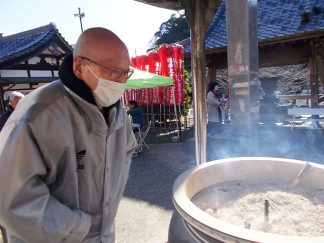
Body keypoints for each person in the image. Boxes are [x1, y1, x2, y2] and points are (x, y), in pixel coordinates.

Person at [0, 28, 138, 243]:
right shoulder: (39, 114)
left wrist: (112, 192)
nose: (121, 81)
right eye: (113, 70)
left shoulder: (116, 110)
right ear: (79, 67)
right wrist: (82, 226)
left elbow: (128, 149)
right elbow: (11, 199)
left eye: (125, 72)